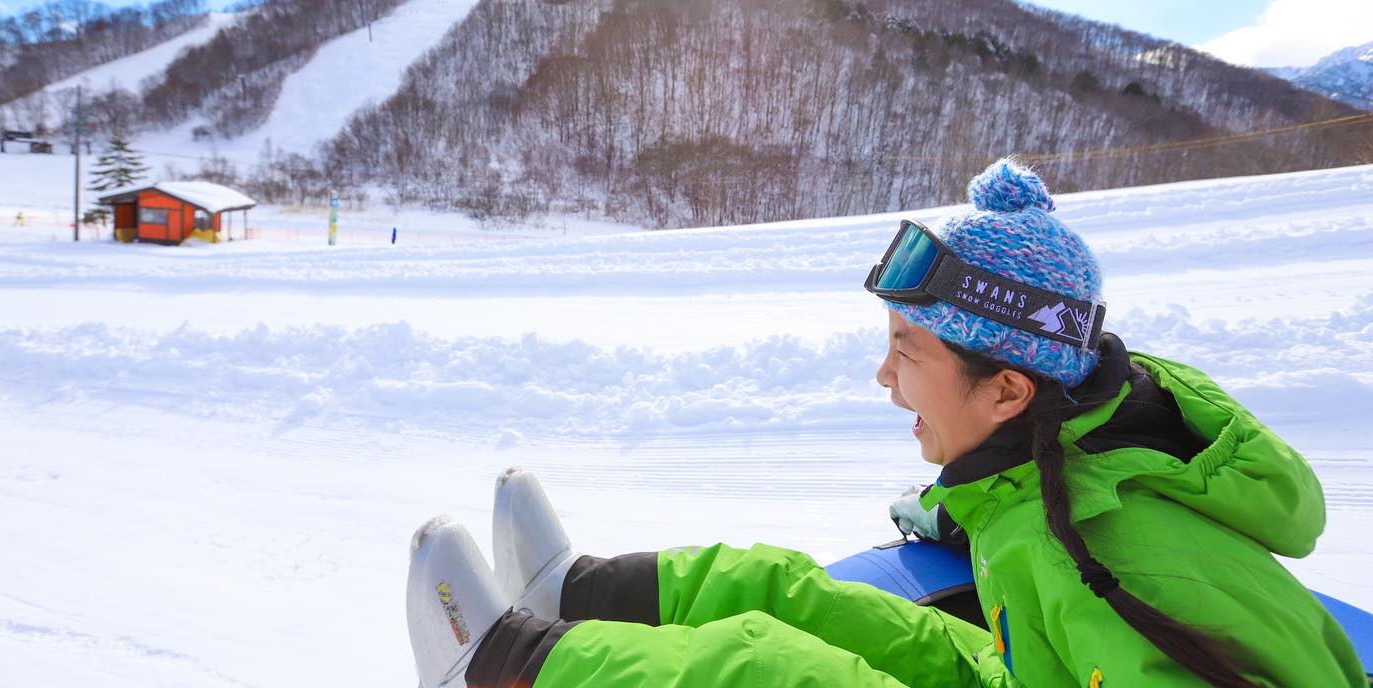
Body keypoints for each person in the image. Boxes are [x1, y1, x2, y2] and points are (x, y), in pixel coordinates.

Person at [406, 159, 1365, 688]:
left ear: (1008, 392)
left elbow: (1124, 612)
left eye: (908, 351)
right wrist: (971, 509)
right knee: (790, 591)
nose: (883, 377)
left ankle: (506, 672)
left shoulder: (1105, 569)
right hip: (1026, 670)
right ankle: (574, 590)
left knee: (771, 671)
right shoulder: (1075, 445)